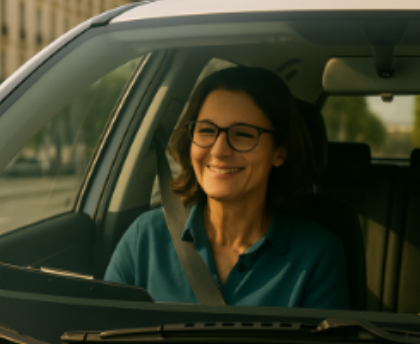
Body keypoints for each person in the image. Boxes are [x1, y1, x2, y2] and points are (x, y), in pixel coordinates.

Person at [106, 66, 349, 308]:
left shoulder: (319, 255)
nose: (219, 150)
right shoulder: (144, 239)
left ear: (279, 152)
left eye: (243, 134)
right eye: (206, 131)